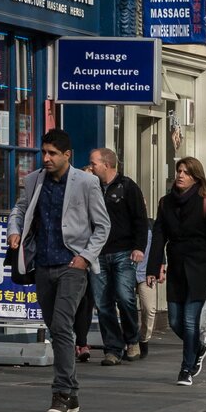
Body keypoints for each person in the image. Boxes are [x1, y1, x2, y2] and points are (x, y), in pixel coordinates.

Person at [7, 129, 110, 412]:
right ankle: (73, 394)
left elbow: (103, 226)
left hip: (72, 266)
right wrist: (14, 231)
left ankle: (61, 394)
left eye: (53, 153)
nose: (47, 158)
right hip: (42, 265)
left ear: (68, 155)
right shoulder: (33, 180)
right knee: (55, 328)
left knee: (63, 327)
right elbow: (19, 210)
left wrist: (85, 258)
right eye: (44, 152)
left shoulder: (87, 183)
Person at [146, 156, 206, 386]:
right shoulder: (165, 202)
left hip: (201, 269)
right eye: (179, 170)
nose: (180, 175)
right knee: (174, 321)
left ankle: (186, 370)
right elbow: (159, 235)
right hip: (177, 268)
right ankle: (198, 347)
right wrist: (154, 267)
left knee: (191, 321)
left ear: (196, 177)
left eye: (186, 172)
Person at [84, 148, 146, 366]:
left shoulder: (128, 187)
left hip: (123, 251)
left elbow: (140, 219)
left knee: (124, 296)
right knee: (102, 303)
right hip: (97, 253)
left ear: (107, 164)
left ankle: (132, 339)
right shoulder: (90, 188)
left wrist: (139, 247)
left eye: (93, 163)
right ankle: (113, 348)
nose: (90, 167)